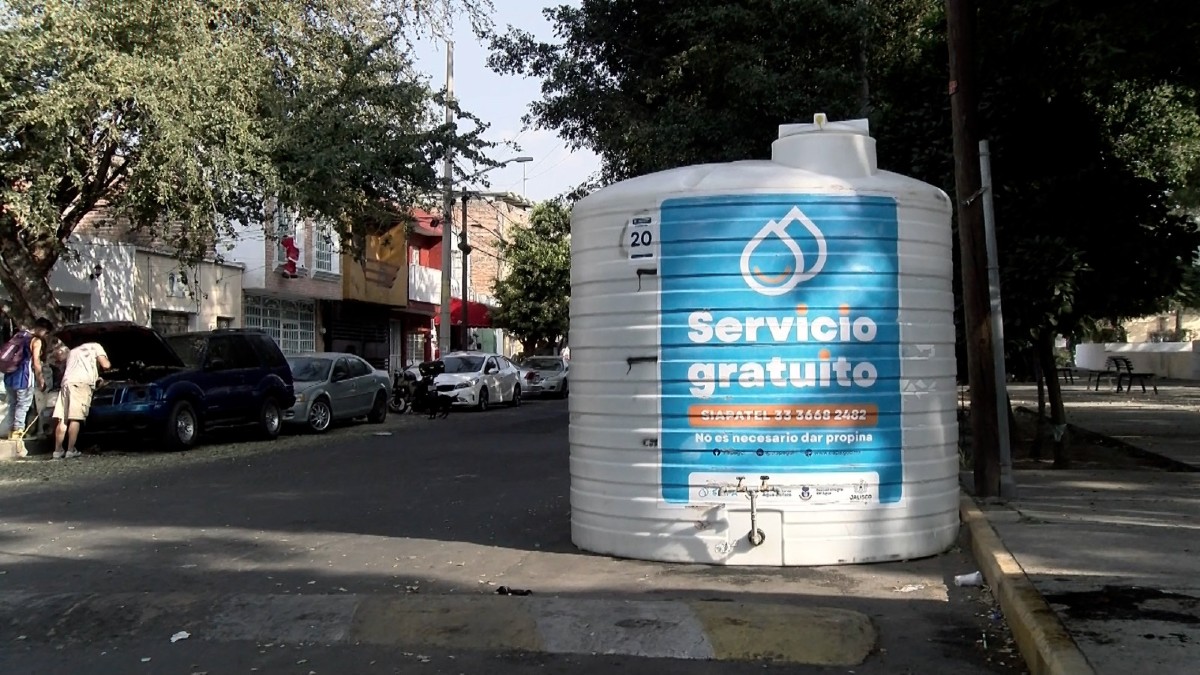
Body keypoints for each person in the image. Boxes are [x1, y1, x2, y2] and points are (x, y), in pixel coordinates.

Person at [52, 341, 110, 459]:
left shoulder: (73, 351)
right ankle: (70, 450)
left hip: (66, 383)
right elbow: (106, 365)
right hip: (81, 384)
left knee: (62, 418)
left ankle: (57, 451)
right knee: (75, 418)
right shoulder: (97, 346)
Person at [1, 317, 54, 440]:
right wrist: (41, 380)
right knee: (23, 405)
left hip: (9, 376)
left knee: (12, 404)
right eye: (46, 333)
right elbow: (36, 362)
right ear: (42, 329)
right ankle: (17, 433)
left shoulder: (18, 335)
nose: (45, 336)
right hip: (24, 378)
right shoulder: (35, 341)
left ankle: (11, 432)